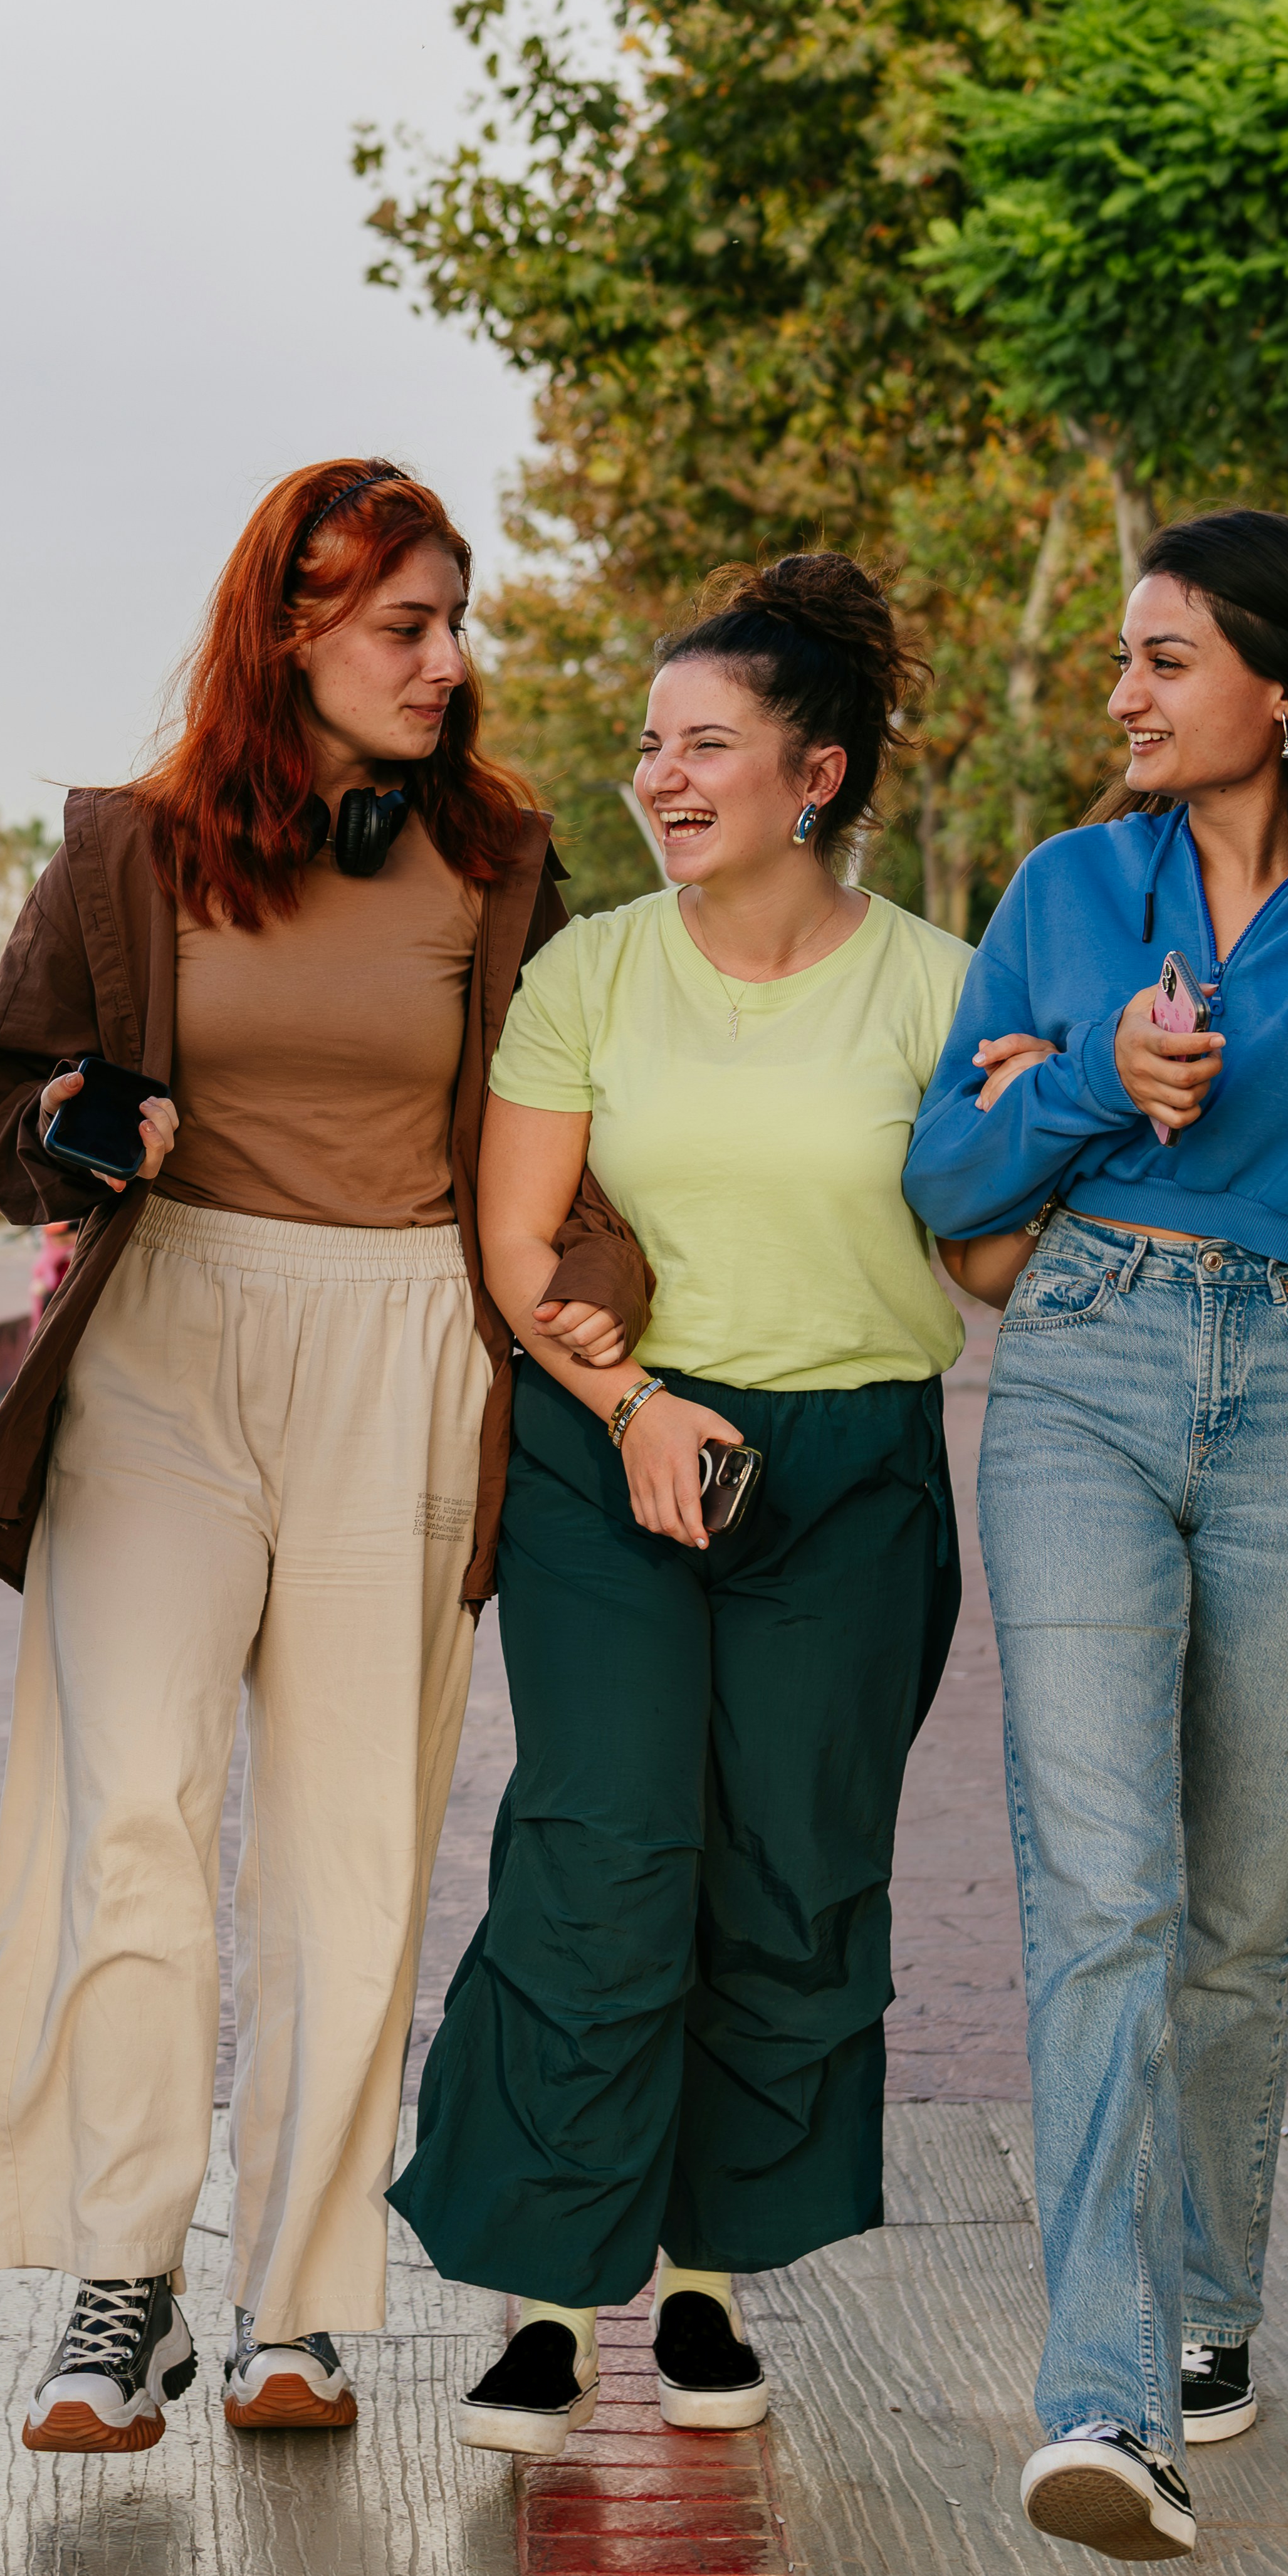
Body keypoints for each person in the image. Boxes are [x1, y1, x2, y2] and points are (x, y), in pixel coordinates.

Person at [0, 460, 647, 2449]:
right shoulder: (126, 848)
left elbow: (568, 1129)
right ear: (289, 631)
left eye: (452, 621)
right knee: (133, 1816)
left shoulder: (499, 865)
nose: (446, 660)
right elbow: (0, 1101)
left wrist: (598, 1294)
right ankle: (122, 2276)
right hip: (163, 1348)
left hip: (403, 1345)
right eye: (403, 624)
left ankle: (299, 2301)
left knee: (349, 1842)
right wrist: (72, 1122)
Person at [904, 508, 1288, 2563]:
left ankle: (1202, 2307)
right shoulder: (1072, 888)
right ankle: (1100, 2390)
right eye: (1121, 656)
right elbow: (947, 1171)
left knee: (1234, 1910)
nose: (1122, 693)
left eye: (1163, 658)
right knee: (1101, 1889)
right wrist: (1090, 1072)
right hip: (1084, 1365)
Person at [385, 555, 978, 2460]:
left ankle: (711, 2281)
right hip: (614, 1449)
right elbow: (514, 1242)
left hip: (853, 1470)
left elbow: (983, 1252)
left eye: (705, 745)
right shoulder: (591, 973)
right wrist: (635, 1405)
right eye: (654, 746)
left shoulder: (939, 985)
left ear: (815, 776)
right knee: (605, 1850)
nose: (660, 777)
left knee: (793, 1870)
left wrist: (1074, 1107)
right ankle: (550, 2303)